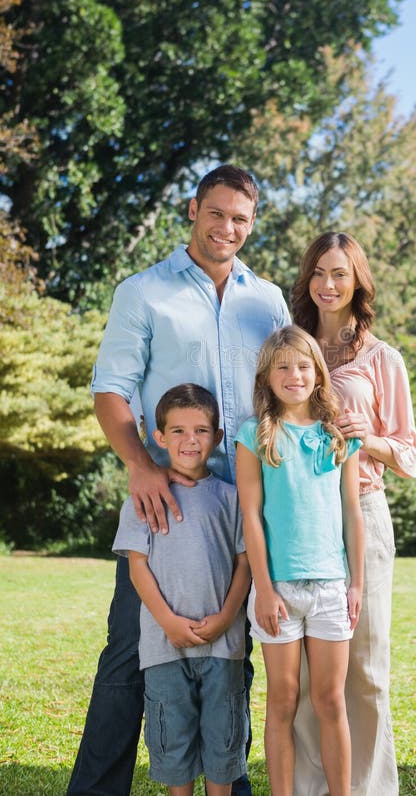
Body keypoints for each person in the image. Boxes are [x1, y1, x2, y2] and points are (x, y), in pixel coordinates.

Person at [68, 164, 290, 796]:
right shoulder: (144, 292)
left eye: (240, 219)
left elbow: (284, 388)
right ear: (193, 209)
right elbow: (110, 388)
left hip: (247, 505)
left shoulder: (267, 300)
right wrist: (141, 465)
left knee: (236, 656)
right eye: (216, 213)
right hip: (166, 502)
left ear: (252, 224)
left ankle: (230, 781)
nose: (227, 227)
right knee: (129, 654)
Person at [290, 232, 416, 796]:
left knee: (364, 670)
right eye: (318, 273)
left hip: (362, 515)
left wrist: (369, 438)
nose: (328, 284)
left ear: (357, 281)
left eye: (339, 273)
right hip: (297, 517)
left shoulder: (381, 358)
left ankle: (369, 789)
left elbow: (408, 452)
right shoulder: (291, 352)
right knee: (300, 678)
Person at [235, 325, 365, 796]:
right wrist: (264, 589)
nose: (295, 375)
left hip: (332, 587)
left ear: (318, 373)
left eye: (304, 366)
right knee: (283, 700)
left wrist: (356, 585)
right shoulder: (255, 435)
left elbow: (353, 513)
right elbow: (250, 516)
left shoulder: (339, 436)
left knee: (331, 701)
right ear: (267, 376)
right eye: (283, 367)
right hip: (279, 592)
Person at [112, 383, 251, 796]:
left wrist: (227, 618)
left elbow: (246, 564)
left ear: (218, 437)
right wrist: (169, 622)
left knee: (224, 742)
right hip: (164, 645)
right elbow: (138, 567)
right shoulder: (143, 498)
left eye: (202, 430)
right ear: (158, 437)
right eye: (178, 431)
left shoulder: (232, 498)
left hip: (223, 647)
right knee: (173, 745)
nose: (190, 440)